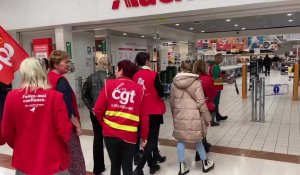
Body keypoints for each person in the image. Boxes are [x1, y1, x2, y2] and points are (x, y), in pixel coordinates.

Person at [2, 58, 72, 175]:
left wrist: (21, 144)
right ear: (42, 72)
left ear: (23, 73)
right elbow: (65, 131)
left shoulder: (12, 97)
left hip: (25, 160)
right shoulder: (55, 97)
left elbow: (7, 132)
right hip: (53, 159)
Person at [94, 60, 149, 175]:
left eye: (117, 69)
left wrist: (104, 125)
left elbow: (98, 109)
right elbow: (144, 116)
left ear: (122, 71)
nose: (115, 71)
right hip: (129, 135)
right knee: (127, 168)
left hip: (110, 133)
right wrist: (144, 137)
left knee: (115, 166)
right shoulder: (140, 89)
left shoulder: (109, 85)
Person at [170, 62, 214, 175]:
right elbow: (200, 103)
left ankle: (182, 166)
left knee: (181, 140)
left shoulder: (174, 83)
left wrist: (175, 115)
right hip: (194, 116)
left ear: (181, 68)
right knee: (198, 140)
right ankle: (205, 163)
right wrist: (207, 117)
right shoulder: (197, 82)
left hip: (180, 114)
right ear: (191, 70)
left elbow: (172, 102)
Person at [48, 50, 86, 175]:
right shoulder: (61, 81)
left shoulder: (47, 78)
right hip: (65, 126)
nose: (68, 64)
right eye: (66, 62)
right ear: (56, 64)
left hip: (52, 125)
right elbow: (67, 108)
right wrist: (77, 126)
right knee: (74, 157)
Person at [132, 52, 166, 175]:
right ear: (147, 61)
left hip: (140, 111)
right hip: (153, 111)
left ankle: (153, 163)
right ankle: (139, 167)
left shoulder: (134, 75)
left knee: (146, 138)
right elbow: (161, 93)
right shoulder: (153, 75)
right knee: (152, 141)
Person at [81, 56, 110, 175]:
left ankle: (98, 167)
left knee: (98, 137)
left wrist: (92, 107)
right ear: (108, 64)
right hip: (109, 113)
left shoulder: (90, 78)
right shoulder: (111, 77)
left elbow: (84, 95)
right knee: (111, 137)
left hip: (95, 112)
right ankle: (116, 164)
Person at [208, 53, 233, 121]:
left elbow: (216, 77)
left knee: (215, 102)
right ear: (217, 58)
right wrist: (226, 81)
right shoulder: (215, 67)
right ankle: (214, 118)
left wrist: (225, 75)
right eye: (221, 58)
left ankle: (217, 115)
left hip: (214, 87)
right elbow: (215, 80)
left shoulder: (213, 66)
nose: (222, 59)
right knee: (215, 102)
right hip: (215, 87)